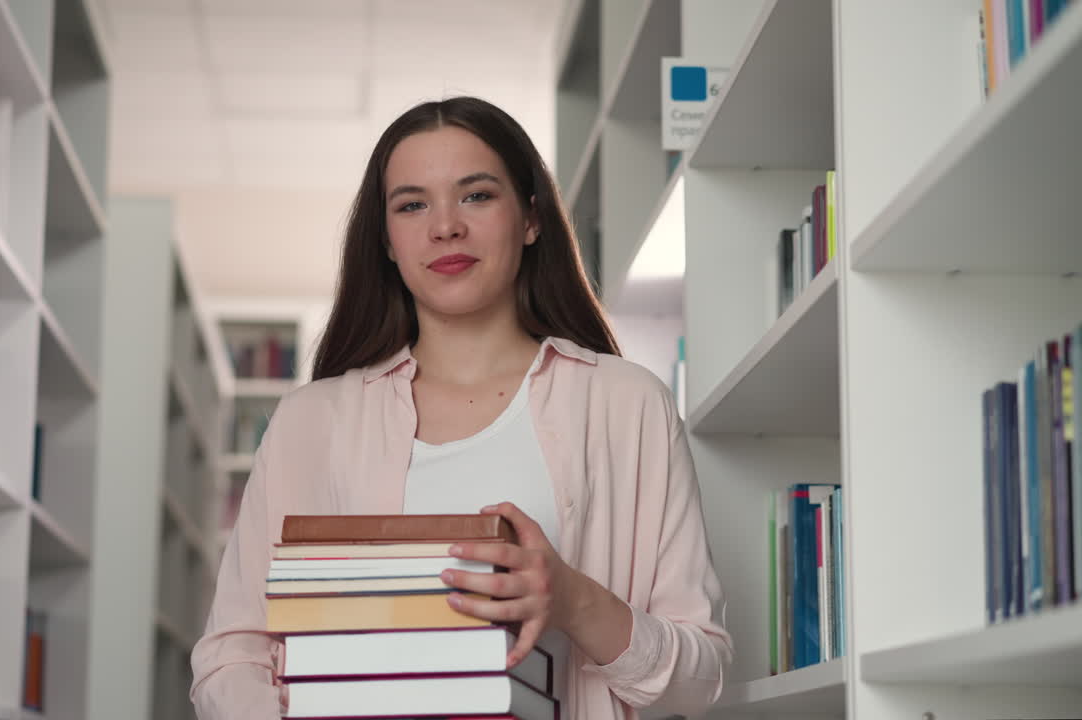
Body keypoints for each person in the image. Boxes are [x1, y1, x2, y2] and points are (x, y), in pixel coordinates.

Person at [189, 96, 732, 720]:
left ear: (530, 218)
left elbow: (701, 677)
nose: (445, 226)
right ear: (388, 242)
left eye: (476, 195)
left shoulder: (627, 405)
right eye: (412, 204)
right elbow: (232, 653)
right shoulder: (311, 422)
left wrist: (573, 600)